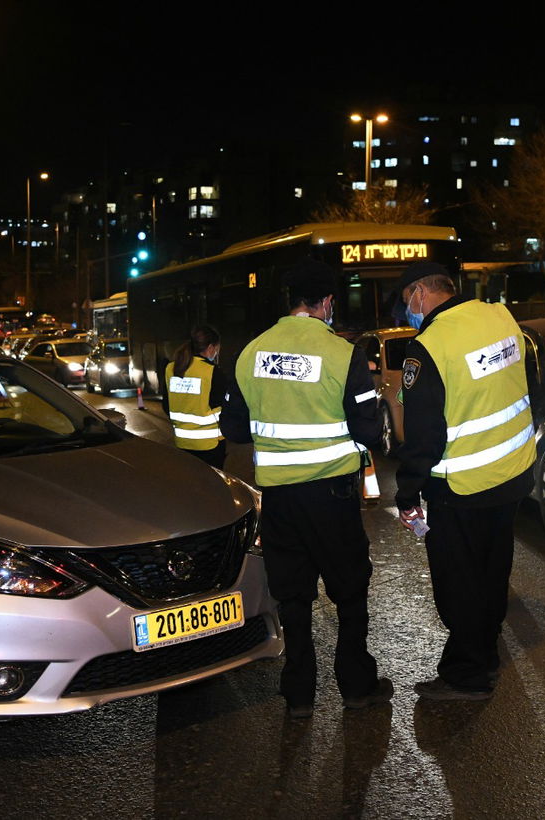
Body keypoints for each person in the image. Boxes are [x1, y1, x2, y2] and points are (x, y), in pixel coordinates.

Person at [220, 258, 391, 719]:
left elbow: (233, 428)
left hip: (279, 498)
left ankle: (298, 692)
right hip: (332, 497)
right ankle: (356, 685)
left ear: (290, 300)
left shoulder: (250, 352)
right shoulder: (342, 354)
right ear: (327, 302)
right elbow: (368, 430)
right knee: (349, 591)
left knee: (293, 596)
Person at [393, 259, 537, 701]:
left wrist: (407, 492)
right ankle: (486, 652)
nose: (408, 312)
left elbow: (424, 434)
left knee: (459, 583)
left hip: (462, 487)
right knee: (493, 571)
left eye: (407, 301)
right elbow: (529, 382)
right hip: (512, 474)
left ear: (421, 293)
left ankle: (466, 675)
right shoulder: (500, 316)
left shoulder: (429, 346)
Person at [162, 324, 226, 468]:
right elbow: (225, 406)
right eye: (217, 349)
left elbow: (166, 406)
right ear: (210, 347)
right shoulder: (212, 371)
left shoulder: (171, 368)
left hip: (182, 443)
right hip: (210, 445)